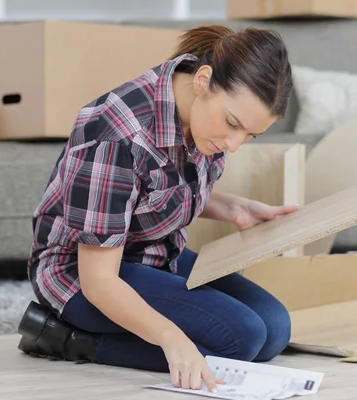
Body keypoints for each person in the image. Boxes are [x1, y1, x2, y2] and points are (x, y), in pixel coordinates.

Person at [17, 24, 296, 393]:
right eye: (233, 124)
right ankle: (65, 337)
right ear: (203, 80)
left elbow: (155, 190)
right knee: (241, 339)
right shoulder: (118, 134)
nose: (234, 144)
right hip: (84, 274)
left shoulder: (199, 120)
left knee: (274, 328)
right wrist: (172, 338)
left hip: (153, 254)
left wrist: (236, 209)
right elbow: (100, 281)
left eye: (250, 135)